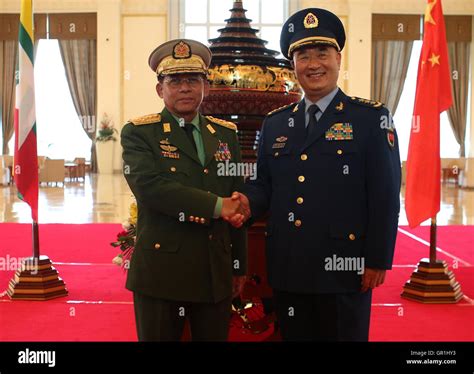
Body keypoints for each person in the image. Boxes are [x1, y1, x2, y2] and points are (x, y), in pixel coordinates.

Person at [230, 8, 401, 341]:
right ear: (293, 66)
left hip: (345, 268)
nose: (313, 64)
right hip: (289, 265)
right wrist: (245, 202)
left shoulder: (370, 118)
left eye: (322, 53)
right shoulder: (276, 122)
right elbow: (265, 184)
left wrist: (377, 259)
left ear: (338, 57)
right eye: (303, 56)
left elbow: (385, 193)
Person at [121, 39, 248, 341]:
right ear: (159, 89)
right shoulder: (140, 133)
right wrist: (217, 206)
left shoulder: (225, 135)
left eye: (193, 80)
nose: (185, 88)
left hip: (214, 272)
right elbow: (151, 188)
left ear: (206, 86)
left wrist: (238, 264)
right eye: (175, 81)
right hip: (162, 273)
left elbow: (237, 201)